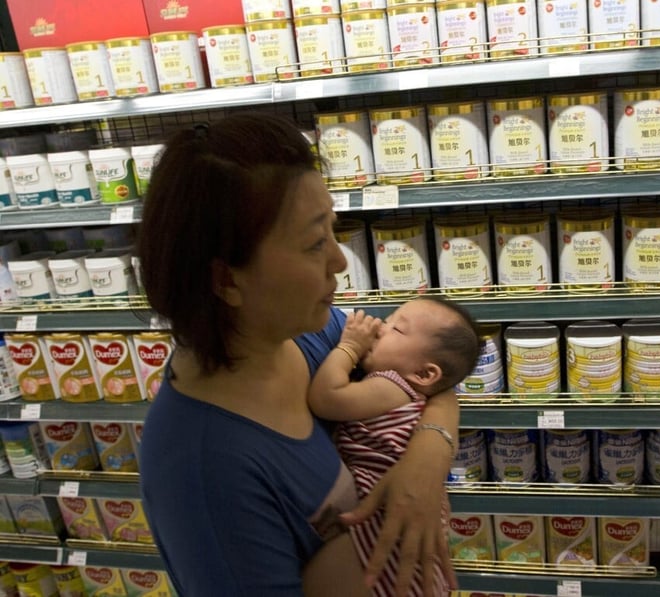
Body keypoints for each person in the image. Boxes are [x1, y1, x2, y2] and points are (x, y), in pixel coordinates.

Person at [136, 112, 459, 596]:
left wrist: (427, 460)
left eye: (333, 228)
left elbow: (434, 375)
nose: (339, 259)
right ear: (226, 280)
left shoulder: (310, 332)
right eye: (314, 243)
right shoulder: (206, 472)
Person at [309, 298, 481, 597]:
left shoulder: (393, 385)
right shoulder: (409, 391)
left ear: (425, 374)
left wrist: (349, 347)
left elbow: (326, 398)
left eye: (396, 328)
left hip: (383, 516)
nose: (379, 328)